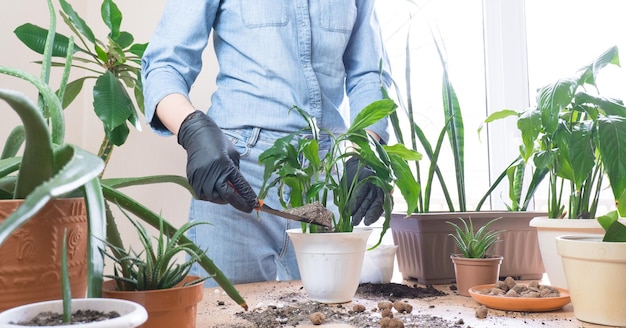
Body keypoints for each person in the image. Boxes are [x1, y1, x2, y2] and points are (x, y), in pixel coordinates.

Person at [142, 0, 392, 286]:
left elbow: (369, 74)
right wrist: (192, 129)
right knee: (227, 315)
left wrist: (368, 151)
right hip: (235, 177)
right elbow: (164, 66)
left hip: (328, 180)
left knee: (336, 315)